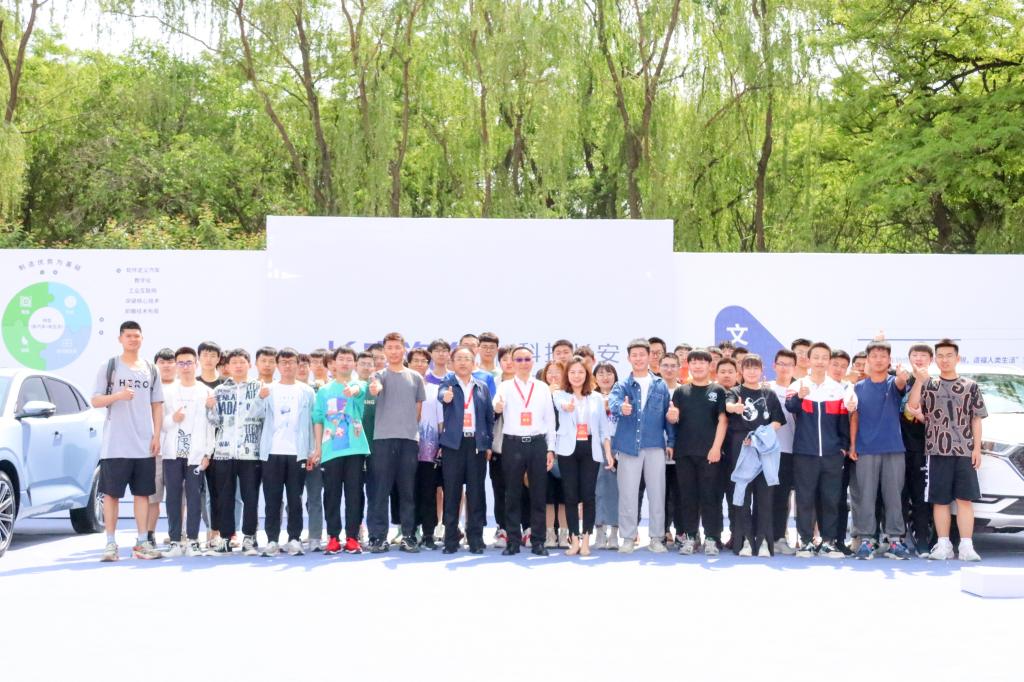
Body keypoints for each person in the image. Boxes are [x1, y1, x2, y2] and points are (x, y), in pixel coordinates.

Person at [907, 339, 987, 562]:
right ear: (935, 359)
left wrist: (977, 448)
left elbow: (976, 419)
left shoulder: (970, 386)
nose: (944, 360)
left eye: (949, 355)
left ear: (957, 358)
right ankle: (943, 545)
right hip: (937, 452)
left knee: (964, 499)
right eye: (940, 356)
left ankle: (966, 546)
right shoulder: (929, 384)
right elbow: (912, 407)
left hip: (964, 451)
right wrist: (919, 381)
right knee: (940, 500)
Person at [93, 320, 165, 562]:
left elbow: (157, 405)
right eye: (128, 336)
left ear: (142, 339)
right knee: (111, 495)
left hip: (143, 445)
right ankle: (110, 544)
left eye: (137, 336)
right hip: (115, 445)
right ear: (120, 339)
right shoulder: (110, 366)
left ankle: (142, 542)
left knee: (142, 494)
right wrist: (118, 396)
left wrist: (156, 435)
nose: (133, 339)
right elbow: (95, 400)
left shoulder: (150, 368)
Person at [608, 338, 675, 554]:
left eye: (642, 354)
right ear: (628, 358)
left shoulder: (660, 384)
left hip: (655, 445)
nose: (638, 359)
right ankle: (628, 538)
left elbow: (667, 415)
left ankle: (656, 538)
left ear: (649, 357)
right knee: (628, 494)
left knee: (657, 494)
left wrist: (671, 441)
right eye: (634, 355)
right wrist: (621, 407)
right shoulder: (622, 385)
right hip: (628, 447)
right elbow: (613, 402)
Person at [785, 342, 850, 558]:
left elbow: (843, 422)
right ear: (808, 360)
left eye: (824, 357)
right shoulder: (798, 385)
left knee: (831, 499)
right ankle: (806, 541)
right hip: (805, 453)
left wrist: (843, 448)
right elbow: (790, 408)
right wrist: (800, 397)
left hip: (832, 455)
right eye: (816, 357)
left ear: (829, 360)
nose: (820, 361)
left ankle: (828, 542)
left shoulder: (838, 388)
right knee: (804, 498)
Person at [848, 341, 911, 560]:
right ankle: (866, 540)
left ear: (889, 360)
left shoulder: (894, 383)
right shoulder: (858, 387)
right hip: (865, 449)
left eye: (883, 356)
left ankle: (894, 540)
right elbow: (854, 417)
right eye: (874, 355)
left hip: (893, 448)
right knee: (865, 496)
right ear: (867, 360)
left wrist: (902, 376)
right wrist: (853, 445)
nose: (878, 359)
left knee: (893, 496)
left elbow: (902, 384)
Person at [493, 345, 556, 556]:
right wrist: (497, 407)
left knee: (538, 493)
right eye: (518, 359)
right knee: (512, 493)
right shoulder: (505, 386)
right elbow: (495, 405)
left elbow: (550, 419)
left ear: (533, 361)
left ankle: (538, 541)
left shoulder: (542, 387)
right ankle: (513, 541)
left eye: (527, 359)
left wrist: (551, 449)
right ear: (512, 362)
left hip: (537, 444)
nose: (523, 363)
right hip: (512, 444)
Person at [367, 332, 426, 553]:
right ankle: (378, 537)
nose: (393, 351)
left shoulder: (415, 377)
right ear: (384, 351)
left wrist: (408, 429)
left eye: (397, 347)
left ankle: (408, 535)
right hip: (383, 440)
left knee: (407, 490)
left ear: (404, 349)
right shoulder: (378, 376)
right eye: (389, 348)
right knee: (381, 491)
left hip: (409, 440)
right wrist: (376, 388)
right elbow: (374, 388)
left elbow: (418, 410)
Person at [208, 348, 268, 555]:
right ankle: (226, 537)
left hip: (251, 452)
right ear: (227, 366)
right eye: (234, 362)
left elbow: (262, 417)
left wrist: (261, 398)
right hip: (223, 452)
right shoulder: (219, 390)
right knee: (225, 497)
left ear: (249, 364)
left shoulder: (260, 387)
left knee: (251, 497)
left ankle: (250, 537)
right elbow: (215, 422)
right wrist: (210, 408)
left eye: (242, 362)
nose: (238, 366)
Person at [437, 345, 495, 553]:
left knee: (476, 493)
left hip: (476, 445)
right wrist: (446, 397)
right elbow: (442, 395)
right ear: (452, 363)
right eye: (459, 359)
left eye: (467, 359)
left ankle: (476, 539)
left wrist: (488, 443)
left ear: (474, 363)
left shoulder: (482, 387)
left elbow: (489, 417)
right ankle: (451, 539)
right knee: (452, 492)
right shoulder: (447, 384)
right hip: (453, 445)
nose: (463, 362)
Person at [258, 347, 316, 556]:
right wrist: (260, 398)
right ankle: (272, 540)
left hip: (297, 453)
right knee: (272, 499)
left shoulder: (306, 391)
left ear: (298, 365)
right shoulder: (268, 389)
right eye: (283, 362)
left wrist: (311, 451)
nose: (288, 366)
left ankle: (294, 539)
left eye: (292, 362)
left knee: (295, 498)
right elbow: (255, 415)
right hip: (271, 452)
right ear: (277, 365)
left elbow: (312, 423)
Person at [723, 355, 783, 557]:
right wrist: (734, 408)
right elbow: (728, 406)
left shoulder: (769, 394)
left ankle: (764, 541)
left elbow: (777, 421)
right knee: (742, 495)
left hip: (764, 447)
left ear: (762, 369)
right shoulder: (735, 392)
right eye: (747, 367)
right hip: (741, 448)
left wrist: (759, 436)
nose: (751, 371)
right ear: (741, 370)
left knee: (765, 496)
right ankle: (746, 541)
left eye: (755, 367)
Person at [313, 347, 371, 555]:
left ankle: (353, 537)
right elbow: (318, 419)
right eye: (341, 359)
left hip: (355, 449)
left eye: (349, 359)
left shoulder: (360, 383)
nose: (345, 363)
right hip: (331, 450)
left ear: (354, 364)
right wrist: (318, 448)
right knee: (331, 494)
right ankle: (333, 538)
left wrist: (352, 391)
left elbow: (358, 390)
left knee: (355, 494)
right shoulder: (324, 391)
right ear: (333, 363)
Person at [669, 349, 727, 556]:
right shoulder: (680, 391)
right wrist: (671, 416)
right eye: (694, 362)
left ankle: (712, 538)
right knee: (688, 497)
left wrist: (716, 448)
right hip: (684, 452)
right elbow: (674, 419)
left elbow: (723, 420)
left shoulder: (718, 390)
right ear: (688, 365)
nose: (698, 366)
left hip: (710, 453)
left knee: (710, 496)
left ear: (710, 365)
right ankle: (690, 537)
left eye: (702, 362)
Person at [159, 347, 215, 557]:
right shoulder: (167, 392)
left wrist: (208, 453)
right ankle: (175, 541)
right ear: (176, 365)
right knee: (173, 497)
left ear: (196, 364)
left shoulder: (205, 391)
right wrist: (172, 419)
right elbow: (160, 424)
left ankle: (192, 540)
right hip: (172, 453)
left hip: (196, 455)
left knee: (194, 498)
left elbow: (211, 425)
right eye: (181, 363)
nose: (185, 367)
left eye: (189, 362)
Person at [552, 358, 607, 556]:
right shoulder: (559, 395)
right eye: (572, 372)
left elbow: (603, 428)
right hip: (568, 448)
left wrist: (608, 452)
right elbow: (562, 406)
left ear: (587, 375)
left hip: (590, 448)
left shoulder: (597, 398)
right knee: (570, 495)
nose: (576, 376)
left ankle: (586, 540)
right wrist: (567, 406)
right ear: (567, 375)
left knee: (589, 495)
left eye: (581, 372)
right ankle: (574, 539)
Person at [409, 347, 443, 549]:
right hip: (406, 447)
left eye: (424, 361)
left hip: (429, 450)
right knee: (408, 492)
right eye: (416, 360)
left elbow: (440, 421)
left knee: (428, 492)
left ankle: (429, 534)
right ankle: (410, 532)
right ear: (409, 363)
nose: (420, 364)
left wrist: (442, 443)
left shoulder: (435, 390)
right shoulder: (402, 387)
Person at [901, 343, 933, 555]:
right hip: (898, 448)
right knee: (898, 496)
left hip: (923, 449)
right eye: (915, 355)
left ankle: (922, 540)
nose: (919, 358)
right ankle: (897, 540)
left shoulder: (935, 383)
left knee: (921, 497)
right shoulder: (900, 381)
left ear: (930, 360)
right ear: (909, 358)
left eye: (923, 355)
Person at [769, 349, 798, 555]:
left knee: (782, 497)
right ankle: (763, 536)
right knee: (764, 497)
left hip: (792, 451)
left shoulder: (801, 389)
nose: (784, 367)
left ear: (794, 367)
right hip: (767, 452)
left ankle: (779, 537)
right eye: (781, 363)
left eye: (789, 364)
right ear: (774, 365)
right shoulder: (766, 388)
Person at [538, 360, 568, 548]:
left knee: (565, 497)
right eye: (550, 372)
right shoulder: (538, 395)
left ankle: (564, 534)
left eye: (558, 371)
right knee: (547, 496)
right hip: (543, 450)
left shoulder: (570, 394)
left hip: (566, 450)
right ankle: (549, 534)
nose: (554, 375)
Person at [488, 345, 516, 549]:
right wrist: (495, 410)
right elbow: (483, 416)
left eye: (512, 359)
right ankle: (503, 528)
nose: (509, 362)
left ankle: (526, 528)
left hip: (523, 446)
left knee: (524, 490)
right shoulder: (491, 384)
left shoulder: (532, 385)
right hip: (498, 445)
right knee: (500, 490)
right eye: (504, 359)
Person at [148, 347, 176, 546]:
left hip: (177, 451)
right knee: (153, 497)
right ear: (155, 365)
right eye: (162, 362)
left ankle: (178, 533)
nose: (166, 366)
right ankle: (149, 535)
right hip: (154, 451)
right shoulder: (148, 388)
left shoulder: (184, 387)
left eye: (170, 362)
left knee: (178, 497)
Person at [591, 362, 619, 550]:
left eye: (609, 373)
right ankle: (599, 531)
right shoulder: (590, 397)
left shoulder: (622, 395)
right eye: (600, 374)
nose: (605, 377)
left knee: (617, 490)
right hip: (595, 445)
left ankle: (615, 532)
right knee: (597, 489)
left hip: (618, 445)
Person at [658, 352, 684, 546]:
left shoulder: (685, 391)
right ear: (659, 368)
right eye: (665, 365)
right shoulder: (653, 390)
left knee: (680, 493)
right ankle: (663, 530)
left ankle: (682, 532)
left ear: (679, 368)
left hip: (681, 451)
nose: (669, 369)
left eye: (673, 365)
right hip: (656, 449)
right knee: (661, 494)